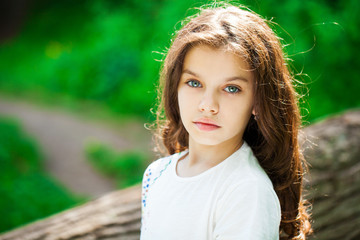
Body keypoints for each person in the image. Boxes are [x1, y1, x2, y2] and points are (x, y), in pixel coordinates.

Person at [141, 3, 312, 240]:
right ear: (175, 87)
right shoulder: (156, 174)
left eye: (231, 88)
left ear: (257, 101)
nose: (208, 104)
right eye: (194, 83)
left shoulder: (247, 192)